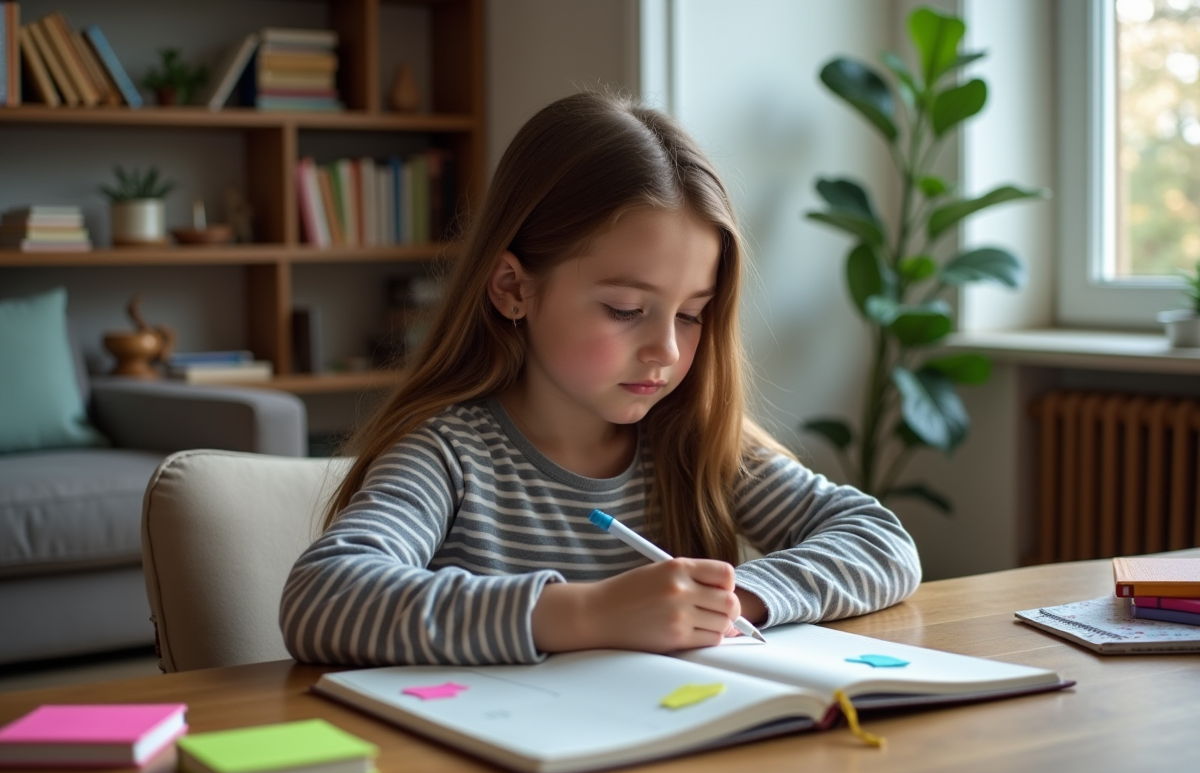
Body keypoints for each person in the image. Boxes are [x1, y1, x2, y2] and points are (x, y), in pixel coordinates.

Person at [279, 90, 921, 667]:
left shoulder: (694, 437)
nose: (665, 349)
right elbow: (323, 597)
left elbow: (882, 543)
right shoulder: (449, 455)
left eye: (692, 315)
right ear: (513, 288)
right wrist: (590, 613)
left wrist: (730, 600)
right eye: (625, 310)